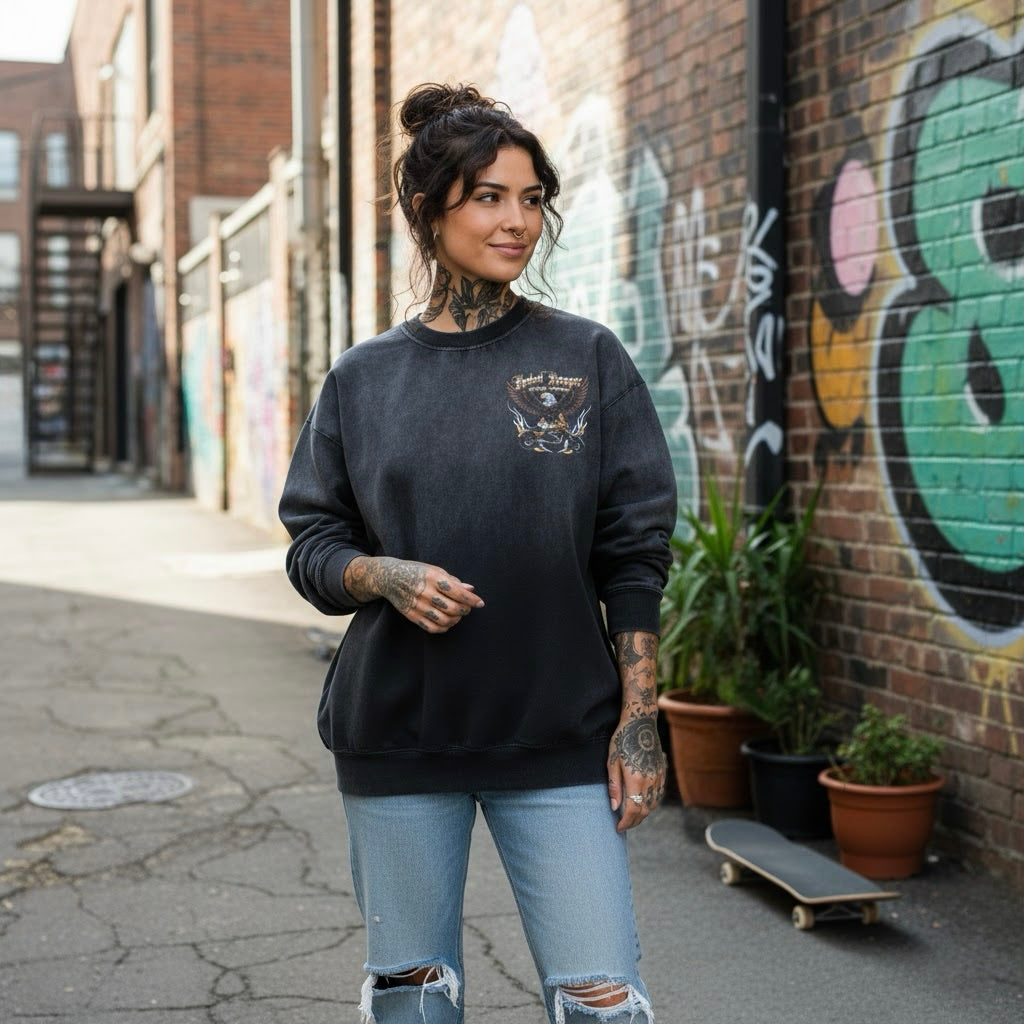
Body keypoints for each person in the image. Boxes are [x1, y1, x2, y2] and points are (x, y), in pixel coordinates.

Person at [279, 82, 676, 1024]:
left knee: (602, 1001)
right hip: (399, 733)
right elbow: (312, 544)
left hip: (557, 731)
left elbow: (633, 552)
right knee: (414, 1001)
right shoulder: (364, 378)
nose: (518, 220)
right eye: (490, 196)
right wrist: (383, 574)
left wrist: (639, 720)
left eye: (532, 198)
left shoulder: (585, 356)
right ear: (430, 209)